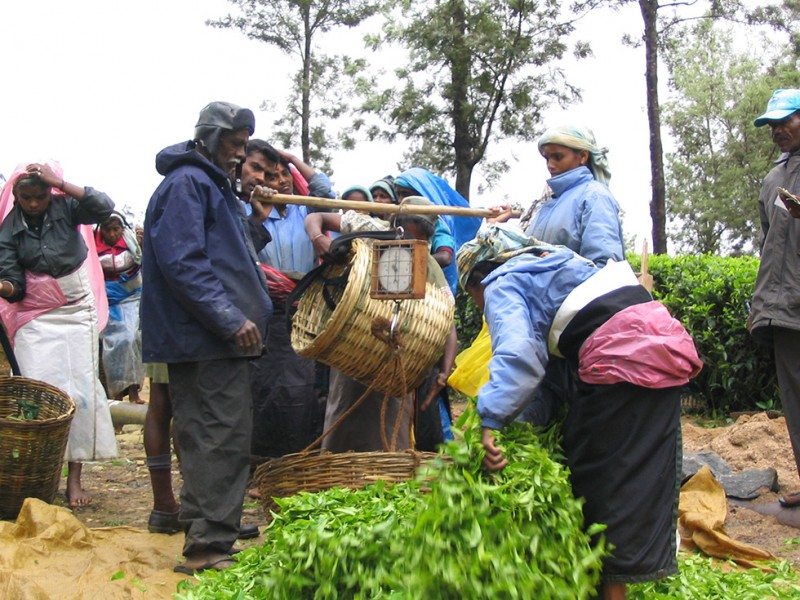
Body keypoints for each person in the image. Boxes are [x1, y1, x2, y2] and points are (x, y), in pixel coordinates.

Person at [457, 223, 702, 599]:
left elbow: (520, 355)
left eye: (471, 295)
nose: (479, 305)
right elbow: (552, 377)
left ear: (478, 279)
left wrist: (491, 421)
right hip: (662, 352)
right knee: (630, 478)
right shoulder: (556, 264)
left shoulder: (501, 283)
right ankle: (607, 587)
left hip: (621, 360)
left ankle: (607, 593)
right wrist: (524, 421)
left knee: (598, 484)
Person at [140, 101, 272, 575]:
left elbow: (228, 257)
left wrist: (254, 221)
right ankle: (209, 545)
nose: (240, 154)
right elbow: (184, 262)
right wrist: (228, 318)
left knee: (202, 431)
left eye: (243, 146)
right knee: (221, 434)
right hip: (205, 337)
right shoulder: (188, 184)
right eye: (235, 145)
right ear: (212, 138)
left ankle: (206, 523)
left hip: (203, 337)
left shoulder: (210, 185)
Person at [0, 162, 118, 508]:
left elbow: (104, 206)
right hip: (35, 314)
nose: (34, 204)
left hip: (77, 308)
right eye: (26, 198)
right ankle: (37, 477)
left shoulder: (65, 205)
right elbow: (15, 285)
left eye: (40, 196)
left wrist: (61, 184)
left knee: (78, 392)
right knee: (37, 394)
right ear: (16, 196)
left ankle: (74, 479)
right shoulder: (8, 229)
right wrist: (3, 286)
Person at [304, 197, 458, 452]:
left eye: (417, 239)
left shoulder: (426, 262)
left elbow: (447, 320)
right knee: (343, 413)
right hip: (352, 349)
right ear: (395, 222)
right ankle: (336, 478)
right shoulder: (368, 227)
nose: (407, 242)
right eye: (405, 233)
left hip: (396, 358)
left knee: (390, 429)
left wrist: (444, 371)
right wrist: (318, 237)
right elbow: (315, 218)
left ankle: (385, 482)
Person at [245, 140, 332, 466]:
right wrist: (258, 213)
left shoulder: (304, 209)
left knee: (302, 386)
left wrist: (294, 158)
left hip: (305, 307)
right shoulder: (250, 213)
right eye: (273, 175)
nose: (280, 181)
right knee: (266, 387)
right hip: (267, 310)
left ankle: (297, 459)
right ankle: (262, 462)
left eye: (285, 174)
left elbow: (325, 190)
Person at [748, 88, 800, 509]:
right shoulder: (772, 179)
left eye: (786, 121)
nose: (777, 131)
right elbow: (767, 245)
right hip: (784, 311)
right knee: (795, 400)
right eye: (771, 125)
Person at [491, 124, 624, 267]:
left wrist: (556, 265)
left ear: (583, 156)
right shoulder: (544, 205)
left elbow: (605, 266)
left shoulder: (595, 197)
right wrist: (496, 229)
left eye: (557, 157)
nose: (550, 165)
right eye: (547, 158)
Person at [95, 212, 144, 403]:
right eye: (108, 230)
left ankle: (134, 390)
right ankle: (115, 393)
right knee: (114, 343)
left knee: (132, 338)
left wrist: (142, 243)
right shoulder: (93, 245)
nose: (113, 234)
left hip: (132, 296)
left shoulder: (132, 243)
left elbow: (141, 261)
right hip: (107, 300)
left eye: (116, 229)